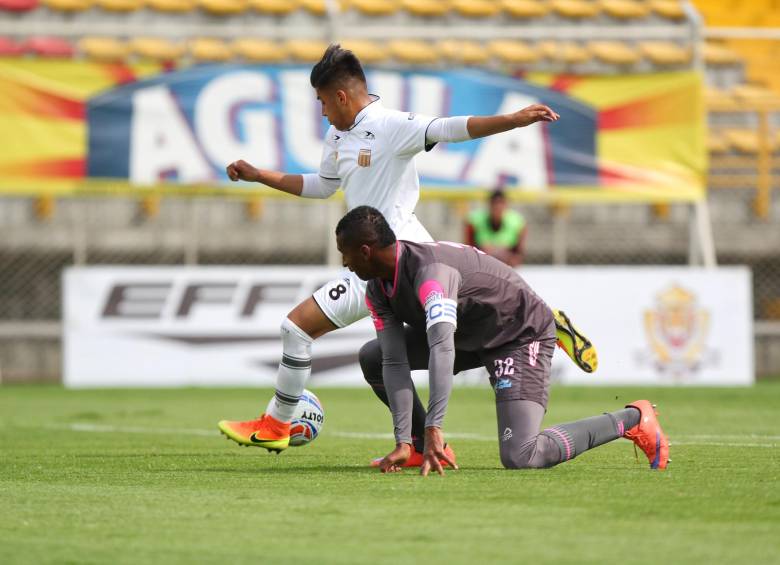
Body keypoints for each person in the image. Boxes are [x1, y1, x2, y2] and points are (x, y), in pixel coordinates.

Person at [218, 44, 597, 460]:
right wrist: (260, 176)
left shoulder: (391, 125)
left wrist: (514, 119)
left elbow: (451, 127)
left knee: (298, 329)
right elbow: (323, 186)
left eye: (323, 102)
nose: (322, 112)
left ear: (341, 96)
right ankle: (419, 441)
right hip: (372, 261)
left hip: (391, 255)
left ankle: (278, 424)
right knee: (393, 351)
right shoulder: (337, 136)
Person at [338, 206, 669, 476]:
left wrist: (434, 426)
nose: (344, 263)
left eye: (346, 254)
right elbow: (394, 360)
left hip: (517, 334)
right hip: (470, 333)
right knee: (374, 356)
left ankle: (633, 419)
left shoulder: (431, 276)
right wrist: (403, 440)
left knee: (522, 455)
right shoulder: (377, 289)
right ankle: (417, 449)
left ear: (365, 251)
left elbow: (442, 348)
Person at [465, 188, 526, 267]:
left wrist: (491, 252)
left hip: (506, 266)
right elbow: (468, 252)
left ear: (506, 205)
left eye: (501, 203)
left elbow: (517, 257)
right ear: (489, 205)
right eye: (495, 203)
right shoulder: (475, 221)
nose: (498, 207)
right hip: (482, 266)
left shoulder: (517, 223)